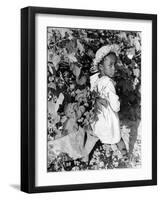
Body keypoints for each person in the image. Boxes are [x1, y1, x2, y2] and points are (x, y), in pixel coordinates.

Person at [90, 44, 128, 162]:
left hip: (100, 115)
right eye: (110, 65)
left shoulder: (95, 79)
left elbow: (92, 93)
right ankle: (125, 156)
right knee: (117, 137)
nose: (114, 68)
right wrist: (117, 104)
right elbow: (115, 106)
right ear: (101, 67)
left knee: (100, 134)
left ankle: (101, 154)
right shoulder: (109, 83)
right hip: (109, 116)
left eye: (114, 65)